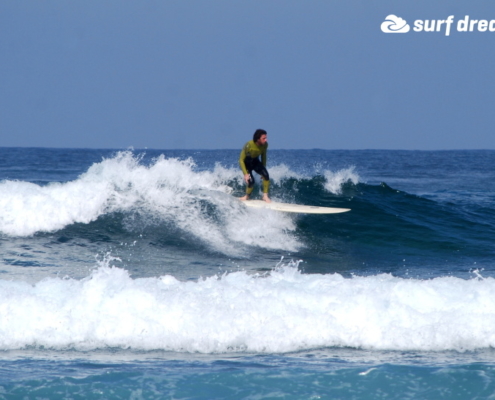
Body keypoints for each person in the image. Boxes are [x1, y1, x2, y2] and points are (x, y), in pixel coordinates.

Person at [239, 129, 271, 202]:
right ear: (258, 139)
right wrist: (245, 174)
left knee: (266, 175)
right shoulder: (249, 145)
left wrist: (263, 169)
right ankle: (246, 196)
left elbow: (263, 156)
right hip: (247, 163)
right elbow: (241, 160)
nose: (266, 140)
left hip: (255, 161)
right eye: (264, 138)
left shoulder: (265, 145)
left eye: (266, 138)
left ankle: (265, 196)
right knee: (251, 181)